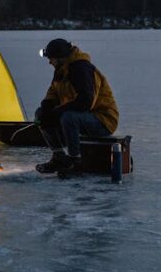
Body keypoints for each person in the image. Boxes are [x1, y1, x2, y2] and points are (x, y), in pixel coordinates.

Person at [34, 38, 118, 178]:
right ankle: (59, 157)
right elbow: (53, 92)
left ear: (61, 57)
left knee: (68, 117)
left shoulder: (81, 69)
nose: (50, 62)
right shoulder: (61, 69)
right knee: (41, 113)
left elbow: (85, 102)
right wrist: (46, 109)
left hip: (103, 120)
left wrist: (57, 113)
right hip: (81, 117)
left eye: (52, 58)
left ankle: (75, 161)